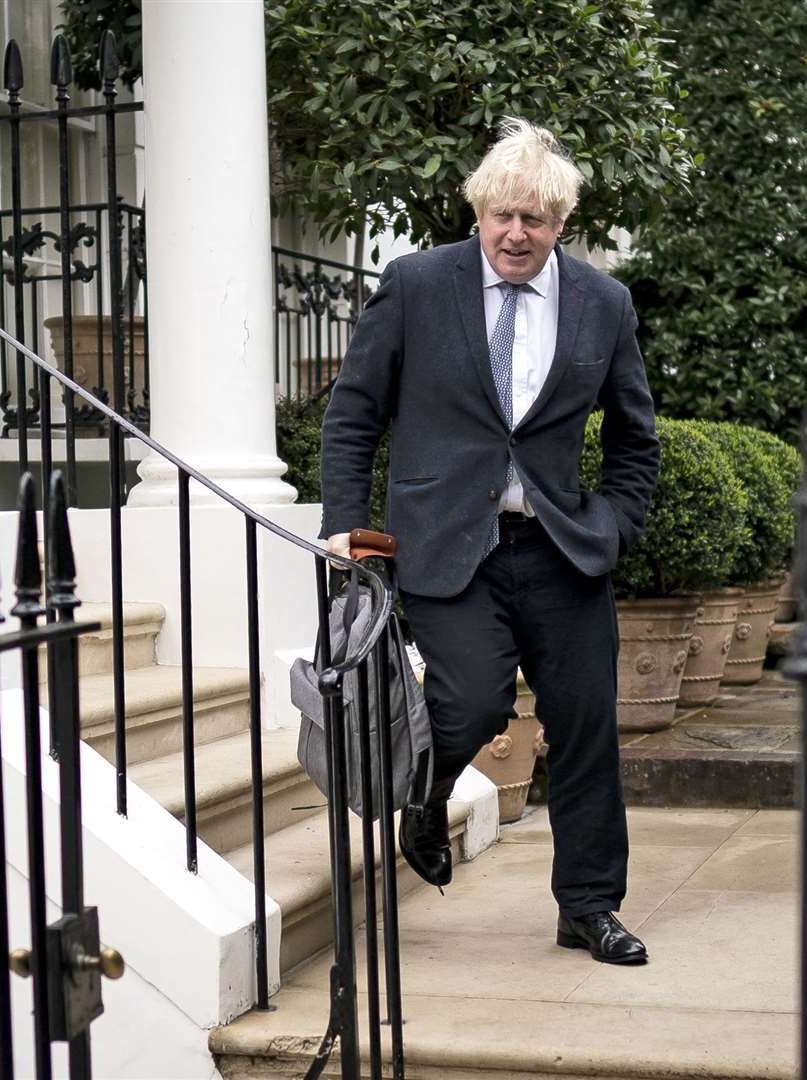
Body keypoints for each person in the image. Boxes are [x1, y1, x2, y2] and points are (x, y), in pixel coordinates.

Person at [319, 117, 661, 964]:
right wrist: (343, 519)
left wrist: (614, 524)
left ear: (560, 225)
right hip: (444, 541)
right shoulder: (415, 285)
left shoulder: (603, 304)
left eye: (535, 221)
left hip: (561, 548)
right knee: (468, 702)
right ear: (479, 211)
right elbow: (354, 411)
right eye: (504, 215)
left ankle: (587, 905)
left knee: (584, 727)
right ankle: (426, 795)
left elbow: (635, 437)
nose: (517, 233)